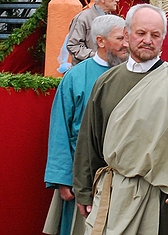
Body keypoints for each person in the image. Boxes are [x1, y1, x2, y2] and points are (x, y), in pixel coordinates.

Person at [73, 4, 168, 234]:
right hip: (112, 196)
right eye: (141, 33)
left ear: (162, 39)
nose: (148, 40)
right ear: (127, 35)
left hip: (161, 201)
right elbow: (88, 141)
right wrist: (84, 190)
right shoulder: (106, 83)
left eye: (155, 35)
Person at [43, 15, 128, 235]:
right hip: (83, 176)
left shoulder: (132, 74)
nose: (126, 44)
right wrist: (63, 179)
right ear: (101, 41)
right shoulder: (75, 77)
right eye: (120, 38)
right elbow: (60, 129)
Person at [67, 0, 119, 66]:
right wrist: (95, 56)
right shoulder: (83, 18)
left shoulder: (114, 19)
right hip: (87, 69)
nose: (117, 0)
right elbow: (73, 45)